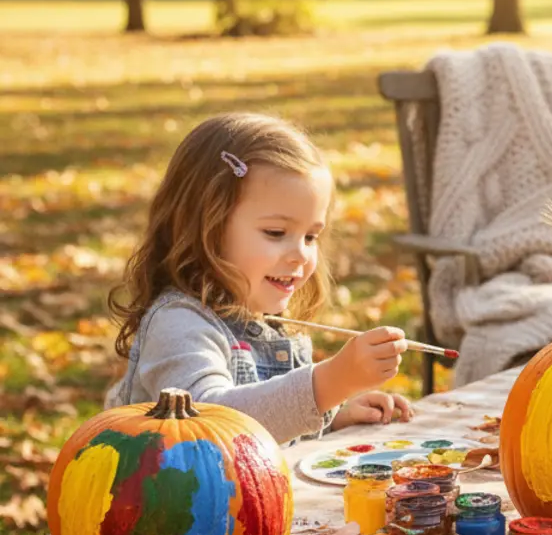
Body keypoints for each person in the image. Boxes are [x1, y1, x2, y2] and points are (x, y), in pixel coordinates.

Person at [107, 112, 414, 444]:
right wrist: (328, 384)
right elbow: (211, 426)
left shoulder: (268, 321)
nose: (300, 254)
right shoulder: (178, 324)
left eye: (311, 237)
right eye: (276, 232)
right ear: (207, 226)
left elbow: (270, 427)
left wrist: (333, 415)